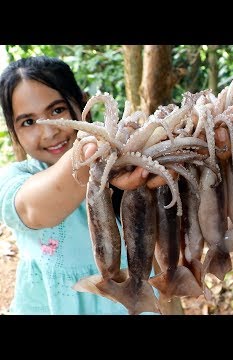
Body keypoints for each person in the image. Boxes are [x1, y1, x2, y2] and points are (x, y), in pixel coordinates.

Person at [0, 56, 153, 315]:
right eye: (28, 122)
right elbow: (33, 209)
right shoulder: (13, 179)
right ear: (13, 132)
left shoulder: (130, 169)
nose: (49, 132)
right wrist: (89, 156)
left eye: (57, 110)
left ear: (82, 103)